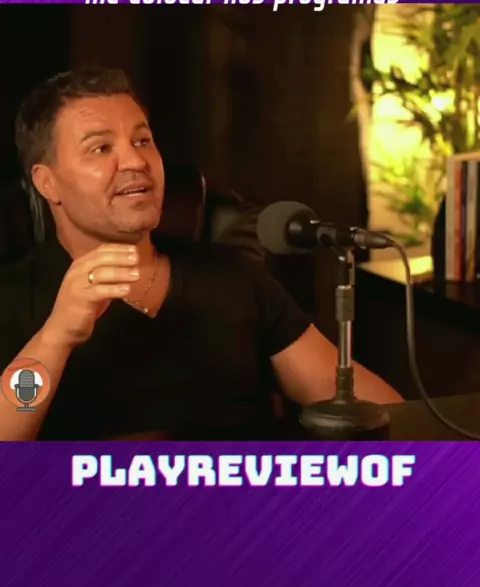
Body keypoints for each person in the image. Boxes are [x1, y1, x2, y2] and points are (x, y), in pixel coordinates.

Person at [0, 68, 402, 441]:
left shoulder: (232, 275)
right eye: (101, 148)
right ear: (47, 183)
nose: (136, 161)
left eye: (142, 141)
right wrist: (55, 338)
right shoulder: (14, 297)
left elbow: (377, 410)